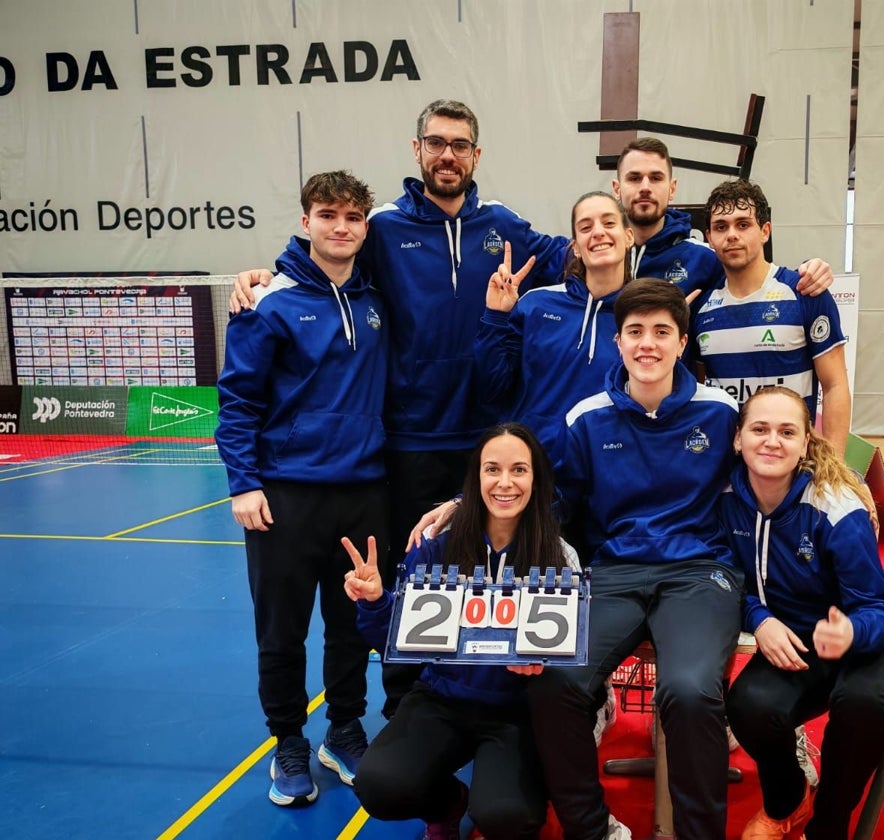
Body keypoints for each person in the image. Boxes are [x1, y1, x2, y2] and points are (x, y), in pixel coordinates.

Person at [230, 99, 570, 717]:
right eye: (436, 143)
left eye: (460, 144)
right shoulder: (383, 225)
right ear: (417, 151)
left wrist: (688, 256)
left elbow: (583, 253)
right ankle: (406, 705)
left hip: (485, 439)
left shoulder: (505, 225)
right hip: (407, 443)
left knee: (492, 574)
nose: (448, 155)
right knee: (413, 580)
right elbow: (326, 243)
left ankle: (503, 696)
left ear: (476, 155)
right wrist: (269, 270)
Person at [527, 278, 744, 840]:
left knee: (691, 692)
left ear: (682, 341)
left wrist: (843, 492)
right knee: (556, 682)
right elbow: (549, 501)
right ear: (617, 341)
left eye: (661, 332)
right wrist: (466, 506)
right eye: (635, 332)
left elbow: (774, 471)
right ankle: (591, 827)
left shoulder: (721, 414)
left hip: (700, 572)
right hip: (616, 571)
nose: (647, 344)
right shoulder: (587, 418)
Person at [215, 170, 387, 806]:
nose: (340, 227)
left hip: (363, 492)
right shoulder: (269, 302)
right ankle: (287, 741)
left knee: (351, 627)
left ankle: (343, 731)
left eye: (352, 217)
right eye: (327, 215)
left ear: (365, 226)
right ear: (306, 222)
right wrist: (244, 483)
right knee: (281, 632)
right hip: (285, 498)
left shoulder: (375, 301)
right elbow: (236, 400)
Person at [344, 423, 577, 840]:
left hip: (516, 710)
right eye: (492, 469)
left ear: (536, 480)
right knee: (379, 785)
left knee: (507, 815)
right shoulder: (437, 547)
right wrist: (376, 601)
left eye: (519, 470)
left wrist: (547, 666)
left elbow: (574, 659)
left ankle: (506, 795)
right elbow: (397, 641)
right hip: (442, 697)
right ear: (475, 479)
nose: (505, 483)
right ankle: (448, 803)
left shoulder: (559, 556)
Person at [719, 386, 884, 840]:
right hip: (803, 632)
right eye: (759, 429)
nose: (772, 441)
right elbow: (726, 580)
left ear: (805, 443)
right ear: (738, 439)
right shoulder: (725, 497)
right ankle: (790, 800)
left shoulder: (836, 507)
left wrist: (850, 632)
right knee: (750, 705)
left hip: (880, 628)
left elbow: (876, 606)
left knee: (862, 704)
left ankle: (829, 822)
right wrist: (760, 619)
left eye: (787, 431)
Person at [695, 179, 853, 458]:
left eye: (743, 224)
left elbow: (835, 385)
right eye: (721, 226)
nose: (732, 234)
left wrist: (834, 466)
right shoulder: (701, 307)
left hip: (794, 464)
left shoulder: (805, 292)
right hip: (727, 467)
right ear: (709, 237)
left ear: (765, 231)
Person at [473, 190, 633, 465]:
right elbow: (492, 388)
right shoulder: (536, 304)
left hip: (609, 471)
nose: (597, 233)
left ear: (628, 236)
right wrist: (496, 316)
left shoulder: (642, 315)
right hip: (537, 468)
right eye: (586, 227)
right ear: (576, 248)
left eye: (608, 223)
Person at [611, 137, 834, 300]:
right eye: (634, 178)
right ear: (617, 188)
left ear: (672, 188)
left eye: (656, 178)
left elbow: (759, 281)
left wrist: (808, 271)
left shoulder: (704, 260)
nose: (645, 187)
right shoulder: (595, 256)